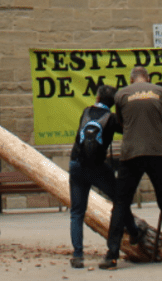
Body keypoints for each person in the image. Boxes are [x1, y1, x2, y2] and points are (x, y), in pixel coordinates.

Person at [102, 66, 162, 269]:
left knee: (121, 204)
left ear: (131, 79)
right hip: (157, 152)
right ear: (147, 78)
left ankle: (111, 255)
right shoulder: (160, 91)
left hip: (131, 153)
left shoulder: (121, 94)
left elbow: (122, 122)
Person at [67, 84, 121, 269]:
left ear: (97, 98)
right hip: (97, 167)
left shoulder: (86, 111)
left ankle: (77, 255)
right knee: (119, 199)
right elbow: (125, 127)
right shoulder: (112, 119)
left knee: (77, 212)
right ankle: (134, 232)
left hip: (77, 163)